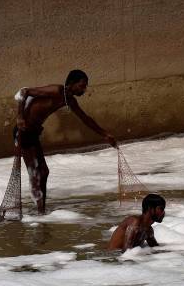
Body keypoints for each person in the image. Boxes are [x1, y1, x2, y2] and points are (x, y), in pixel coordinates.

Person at [14, 69, 117, 214]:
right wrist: (20, 117)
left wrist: (105, 134)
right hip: (23, 132)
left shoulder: (70, 100)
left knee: (43, 172)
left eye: (85, 86)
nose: (84, 89)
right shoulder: (56, 90)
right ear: (71, 84)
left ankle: (40, 212)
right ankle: (39, 212)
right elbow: (24, 92)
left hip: (33, 133)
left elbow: (85, 118)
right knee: (37, 173)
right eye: (82, 85)